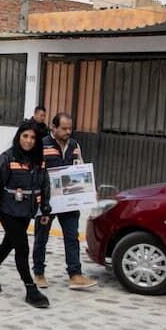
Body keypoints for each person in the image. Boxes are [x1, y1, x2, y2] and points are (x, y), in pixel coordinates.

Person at [0, 121, 52, 308]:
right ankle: (30, 288)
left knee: (9, 243)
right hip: (8, 210)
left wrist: (45, 208)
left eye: (33, 137)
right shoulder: (7, 158)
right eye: (25, 136)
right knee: (22, 247)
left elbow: (45, 184)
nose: (28, 141)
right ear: (18, 137)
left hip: (26, 211)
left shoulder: (39, 160)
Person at [32, 113, 98, 290]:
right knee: (41, 237)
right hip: (47, 201)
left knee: (71, 237)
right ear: (53, 128)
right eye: (64, 128)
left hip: (70, 201)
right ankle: (38, 273)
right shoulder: (42, 145)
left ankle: (75, 275)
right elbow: (34, 171)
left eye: (70, 128)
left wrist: (89, 190)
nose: (68, 131)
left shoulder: (75, 145)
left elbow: (81, 168)